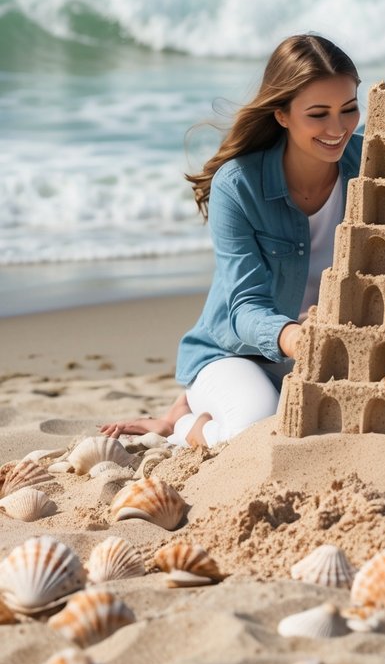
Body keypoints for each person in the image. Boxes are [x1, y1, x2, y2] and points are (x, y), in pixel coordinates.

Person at [101, 33, 362, 448]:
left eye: (349, 109)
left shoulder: (370, 168)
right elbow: (243, 306)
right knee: (255, 432)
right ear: (282, 114)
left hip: (330, 353)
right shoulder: (237, 185)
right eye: (318, 114)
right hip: (236, 354)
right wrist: (297, 337)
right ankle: (182, 424)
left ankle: (181, 409)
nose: (338, 128)